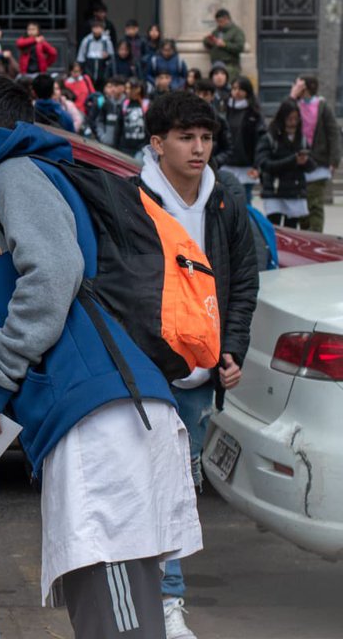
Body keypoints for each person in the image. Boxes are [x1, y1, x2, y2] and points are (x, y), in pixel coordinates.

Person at [0, 74, 202, 639]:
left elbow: (53, 274)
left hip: (102, 422)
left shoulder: (13, 172)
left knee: (120, 622)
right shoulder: (32, 172)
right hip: (99, 414)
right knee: (109, 613)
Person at [136, 91, 258, 639]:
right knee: (150, 485)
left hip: (201, 378)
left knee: (181, 489)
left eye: (206, 138)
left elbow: (243, 284)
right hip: (149, 373)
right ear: (157, 143)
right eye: (186, 137)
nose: (199, 149)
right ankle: (159, 598)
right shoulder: (135, 198)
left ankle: (166, 598)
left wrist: (232, 351)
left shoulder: (226, 199)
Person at [291, 74, 341, 232]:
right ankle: (306, 236)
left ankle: (315, 237)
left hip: (319, 163)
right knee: (302, 205)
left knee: (315, 204)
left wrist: (334, 160)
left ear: (306, 88)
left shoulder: (322, 106)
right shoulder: (295, 105)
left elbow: (333, 133)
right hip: (300, 162)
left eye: (299, 85)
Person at [256, 98, 316, 228]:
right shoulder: (270, 138)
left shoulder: (302, 139)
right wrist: (293, 160)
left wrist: (305, 161)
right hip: (274, 190)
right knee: (274, 229)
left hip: (295, 191)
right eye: (289, 119)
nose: (293, 123)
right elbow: (265, 164)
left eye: (296, 119)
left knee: (291, 230)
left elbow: (312, 166)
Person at [213, 77, 265, 202]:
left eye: (241, 89)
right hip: (226, 162)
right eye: (234, 88)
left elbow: (260, 140)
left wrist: (257, 165)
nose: (236, 92)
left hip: (246, 164)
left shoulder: (254, 113)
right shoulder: (223, 110)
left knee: (245, 200)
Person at [89, 75, 146, 157]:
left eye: (116, 86)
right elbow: (99, 121)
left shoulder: (132, 104)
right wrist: (102, 137)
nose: (113, 89)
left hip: (131, 148)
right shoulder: (107, 103)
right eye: (111, 86)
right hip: (111, 146)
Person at [203, 9, 246, 81]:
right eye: (217, 22)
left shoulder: (237, 31)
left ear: (227, 19)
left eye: (220, 21)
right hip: (216, 65)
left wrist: (225, 45)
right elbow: (207, 42)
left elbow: (240, 47)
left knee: (227, 87)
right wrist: (209, 41)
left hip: (229, 67)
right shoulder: (217, 31)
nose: (219, 24)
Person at [76, 20, 115, 90]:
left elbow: (112, 56)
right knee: (88, 86)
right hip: (89, 65)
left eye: (99, 27)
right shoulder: (87, 40)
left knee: (102, 87)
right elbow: (81, 56)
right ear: (92, 29)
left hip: (102, 66)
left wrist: (107, 56)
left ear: (103, 29)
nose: (97, 30)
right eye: (95, 27)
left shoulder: (106, 41)